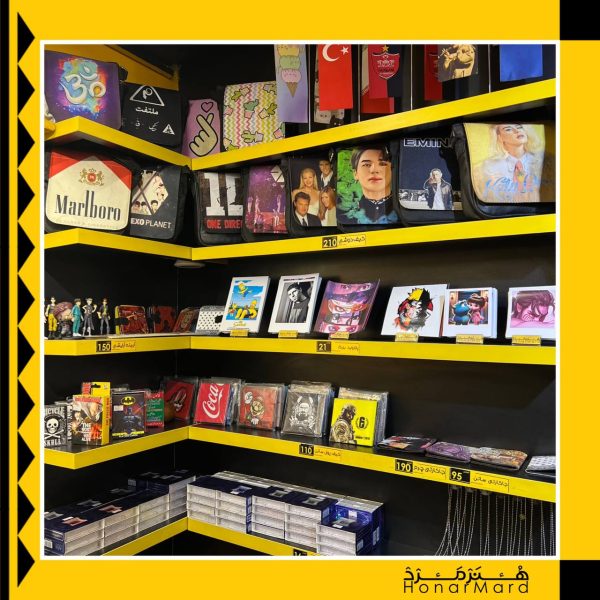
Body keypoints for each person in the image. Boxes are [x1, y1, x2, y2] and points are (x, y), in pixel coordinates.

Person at [474, 123, 544, 203]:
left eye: (519, 127)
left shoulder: (543, 161)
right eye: (508, 129)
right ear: (499, 137)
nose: (517, 131)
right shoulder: (487, 167)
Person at [351, 147, 398, 224]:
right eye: (366, 164)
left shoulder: (405, 212)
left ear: (393, 170)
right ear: (355, 174)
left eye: (382, 164)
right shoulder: (348, 214)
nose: (374, 170)